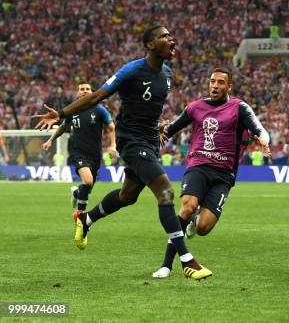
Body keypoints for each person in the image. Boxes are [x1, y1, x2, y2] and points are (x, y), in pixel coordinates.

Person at [33, 25, 210, 280]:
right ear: (150, 45)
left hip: (149, 141)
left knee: (128, 196)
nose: (172, 39)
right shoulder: (131, 70)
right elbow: (96, 96)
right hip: (131, 142)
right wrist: (62, 114)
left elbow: (148, 108)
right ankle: (187, 260)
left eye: (172, 35)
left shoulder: (168, 74)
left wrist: (158, 127)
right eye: (164, 36)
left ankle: (86, 219)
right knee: (166, 192)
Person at [152, 68, 270, 278]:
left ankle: (196, 220)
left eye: (220, 83)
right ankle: (166, 265)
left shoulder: (239, 107)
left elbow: (258, 128)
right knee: (187, 208)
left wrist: (263, 139)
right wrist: (161, 135)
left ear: (229, 86)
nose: (215, 86)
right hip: (198, 165)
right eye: (212, 82)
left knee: (204, 228)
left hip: (224, 175)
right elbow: (172, 128)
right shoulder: (195, 107)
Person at [41, 82, 117, 211]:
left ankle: (76, 192)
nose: (85, 91)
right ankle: (80, 216)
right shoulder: (72, 110)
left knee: (88, 188)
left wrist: (112, 145)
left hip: (95, 153)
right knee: (87, 181)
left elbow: (111, 127)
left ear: (92, 93)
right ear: (77, 93)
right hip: (78, 152)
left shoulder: (100, 109)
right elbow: (62, 127)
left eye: (88, 89)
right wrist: (50, 140)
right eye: (82, 89)